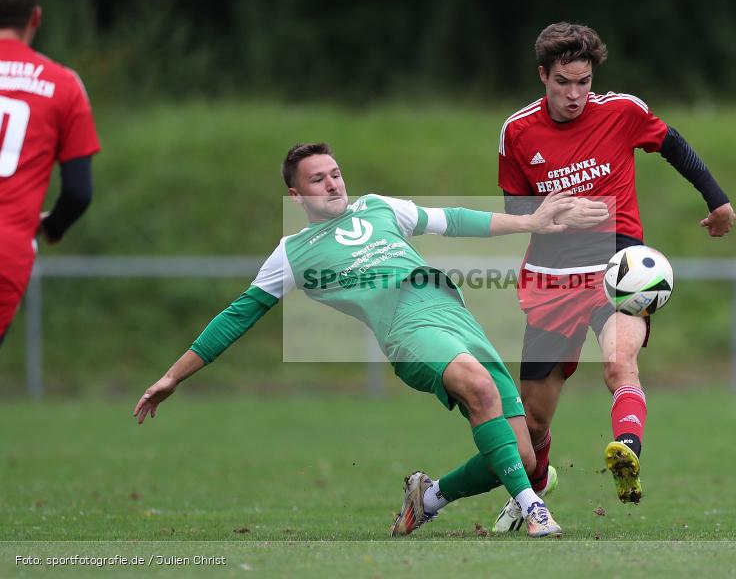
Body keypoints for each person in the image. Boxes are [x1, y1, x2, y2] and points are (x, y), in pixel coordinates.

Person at [133, 142, 609, 538]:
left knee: (522, 457)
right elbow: (237, 315)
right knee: (481, 391)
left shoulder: (380, 207)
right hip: (407, 330)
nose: (332, 183)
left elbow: (454, 219)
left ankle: (429, 497)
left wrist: (531, 221)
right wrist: (173, 376)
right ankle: (534, 510)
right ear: (295, 194)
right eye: (317, 178)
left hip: (454, 316)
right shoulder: (292, 252)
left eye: (335, 173)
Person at [492, 22, 736, 531]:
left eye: (583, 81)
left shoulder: (622, 111)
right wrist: (555, 213)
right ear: (543, 75)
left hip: (618, 264)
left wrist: (718, 200)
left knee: (620, 364)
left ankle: (626, 449)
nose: (575, 94)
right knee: (533, 420)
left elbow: (673, 144)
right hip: (552, 276)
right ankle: (531, 496)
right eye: (563, 81)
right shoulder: (517, 132)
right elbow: (517, 208)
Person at [0, 0, 100, 347]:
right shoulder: (63, 85)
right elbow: (77, 192)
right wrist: (52, 227)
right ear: (35, 18)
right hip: (6, 249)